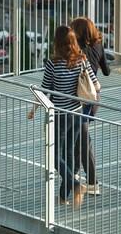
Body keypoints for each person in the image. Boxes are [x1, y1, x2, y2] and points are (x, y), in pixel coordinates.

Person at [27, 26, 97, 207]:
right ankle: (63, 198)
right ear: (74, 42)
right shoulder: (82, 60)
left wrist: (33, 109)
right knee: (68, 154)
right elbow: (96, 86)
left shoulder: (53, 63)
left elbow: (45, 89)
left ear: (57, 43)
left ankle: (75, 185)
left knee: (54, 155)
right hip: (77, 113)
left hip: (58, 115)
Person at [70, 17, 110, 195]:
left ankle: (93, 182)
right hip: (94, 99)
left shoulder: (76, 50)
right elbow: (107, 71)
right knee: (80, 134)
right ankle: (76, 172)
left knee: (84, 139)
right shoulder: (99, 46)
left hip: (79, 100)